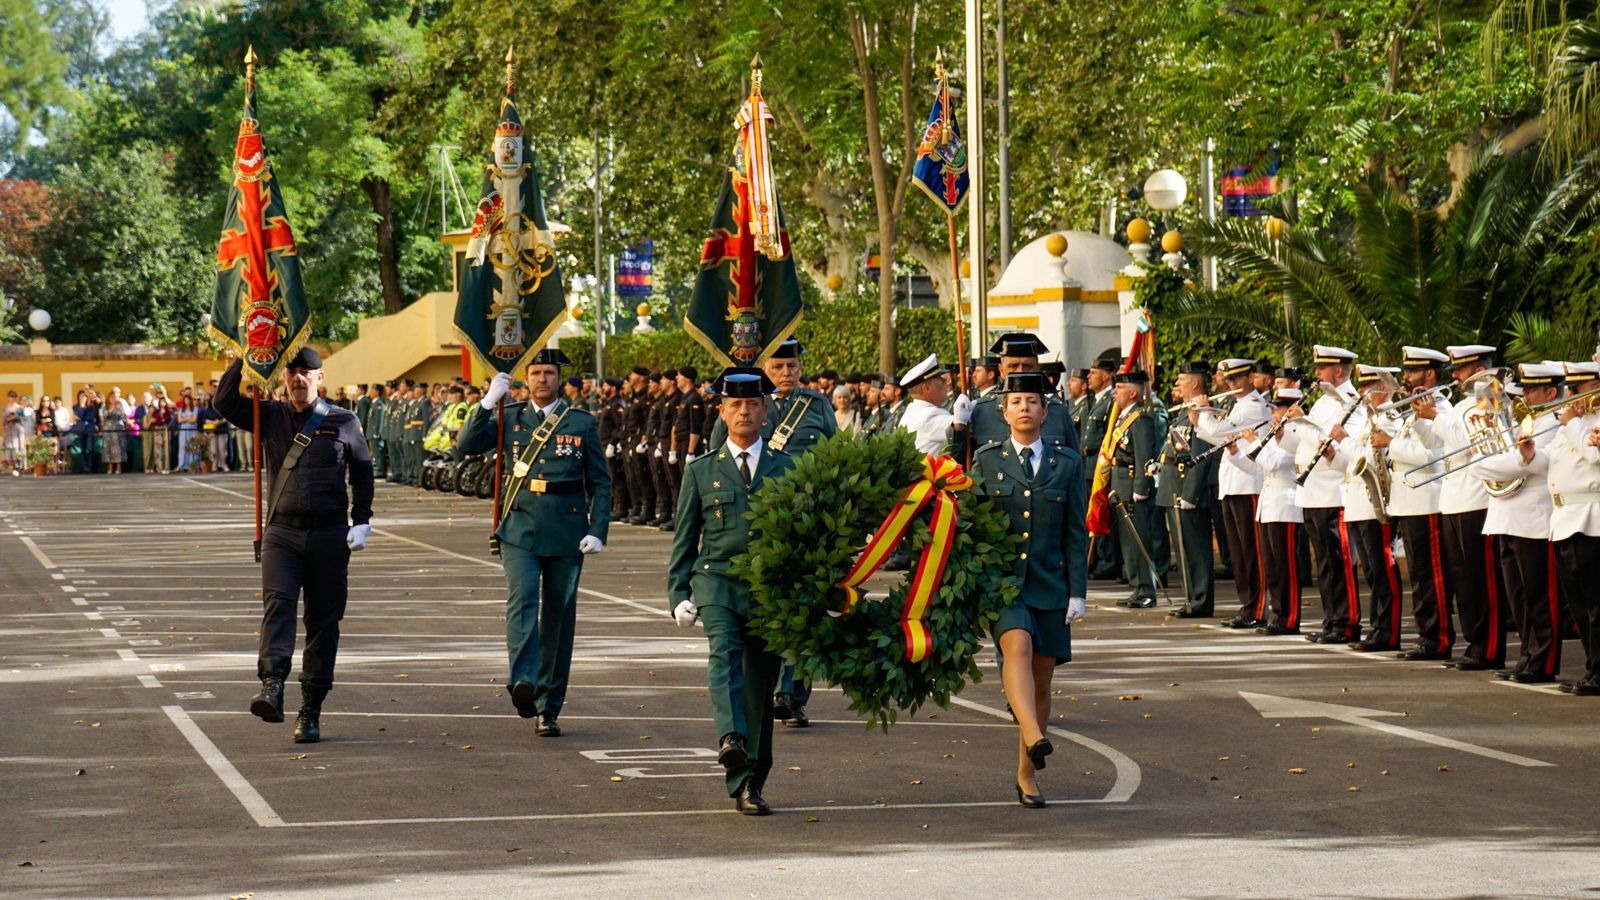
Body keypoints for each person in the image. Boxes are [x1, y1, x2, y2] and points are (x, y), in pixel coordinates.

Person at [213, 348, 375, 744]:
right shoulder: (269, 415)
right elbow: (224, 402)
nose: (298, 380)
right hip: (282, 535)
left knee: (323, 623)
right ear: (284, 378)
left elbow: (363, 473)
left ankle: (311, 708)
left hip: (329, 537)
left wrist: (364, 520)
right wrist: (246, 356)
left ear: (320, 378)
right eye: (292, 373)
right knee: (278, 606)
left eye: (306, 373)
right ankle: (272, 684)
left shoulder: (345, 420)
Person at [456, 349, 612, 735]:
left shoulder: (581, 422)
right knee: (522, 601)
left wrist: (598, 529)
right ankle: (523, 680)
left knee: (559, 619)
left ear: (560, 379)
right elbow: (466, 445)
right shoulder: (510, 416)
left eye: (549, 373)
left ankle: (549, 705)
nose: (543, 379)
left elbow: (601, 482)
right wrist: (487, 402)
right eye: (536, 372)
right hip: (520, 526)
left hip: (567, 529)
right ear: (526, 378)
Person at [667, 366, 795, 815]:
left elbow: (806, 536)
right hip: (716, 580)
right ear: (721, 411)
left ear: (765, 413)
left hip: (769, 589)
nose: (744, 411)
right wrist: (678, 593)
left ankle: (751, 780)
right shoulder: (702, 471)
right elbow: (685, 537)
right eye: (735, 404)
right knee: (723, 653)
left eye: (753, 404)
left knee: (760, 686)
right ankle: (730, 737)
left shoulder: (789, 467)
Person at [968, 371, 1088, 808]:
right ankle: (1035, 734)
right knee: (1016, 647)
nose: (1024, 408)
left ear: (1045, 411)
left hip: (1052, 582)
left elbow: (1076, 531)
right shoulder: (986, 460)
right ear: (1003, 411)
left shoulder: (1067, 463)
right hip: (1004, 584)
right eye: (1016, 401)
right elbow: (971, 524)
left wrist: (1079, 591)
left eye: (1032, 401)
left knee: (1041, 680)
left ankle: (1026, 772)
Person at [1410, 345, 1507, 666]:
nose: (1454, 375)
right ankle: (1475, 644)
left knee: (1481, 578)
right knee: (1463, 578)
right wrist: (1421, 418)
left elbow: (1472, 442)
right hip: (1453, 499)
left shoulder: (1490, 394)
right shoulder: (1460, 403)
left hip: (1476, 497)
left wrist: (1435, 415)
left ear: (1478, 370)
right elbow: (1436, 443)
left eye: (1460, 369)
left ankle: (1488, 648)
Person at [1476, 363, 1564, 684]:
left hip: (1534, 518)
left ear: (1550, 392)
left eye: (1530, 390)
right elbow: (1485, 460)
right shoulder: (1520, 422)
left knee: (1539, 595)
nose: (1522, 395)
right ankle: (1527, 656)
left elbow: (1528, 464)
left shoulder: (1552, 423)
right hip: (1505, 516)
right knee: (1518, 596)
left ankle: (1543, 661)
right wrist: (1502, 463)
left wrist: (1500, 464)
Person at [1381, 348, 1455, 660]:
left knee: (1433, 574)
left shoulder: (1443, 409)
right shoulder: (1415, 408)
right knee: (1420, 575)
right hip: (1408, 500)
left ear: (1430, 373)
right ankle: (1427, 635)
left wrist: (1391, 444)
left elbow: (1433, 457)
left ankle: (1437, 639)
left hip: (1427, 500)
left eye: (1413, 371)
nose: (1407, 377)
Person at [1286, 344, 1364, 644]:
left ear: (1339, 371)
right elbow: (1310, 440)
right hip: (1313, 494)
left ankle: (1347, 623)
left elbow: (1335, 446)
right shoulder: (1322, 402)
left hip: (1334, 492)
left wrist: (1301, 423)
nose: (1317, 373)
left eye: (1323, 367)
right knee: (1325, 566)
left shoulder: (1350, 402)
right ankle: (1332, 619)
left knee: (1339, 563)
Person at [1333, 365, 1406, 651]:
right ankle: (1378, 628)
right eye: (1362, 387)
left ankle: (1388, 632)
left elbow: (1371, 458)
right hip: (1360, 503)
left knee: (1383, 571)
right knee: (1373, 574)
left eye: (1369, 387)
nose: (1362, 392)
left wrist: (1344, 441)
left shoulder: (1388, 416)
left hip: (1377, 504)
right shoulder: (1369, 419)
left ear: (1384, 388)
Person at [1226, 387, 1306, 635]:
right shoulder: (1276, 434)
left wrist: (1253, 441)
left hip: (1287, 503)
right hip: (1269, 503)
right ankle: (1278, 615)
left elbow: (1272, 461)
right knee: (1272, 566)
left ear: (1291, 408)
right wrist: (1235, 452)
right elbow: (1255, 469)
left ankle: (1289, 618)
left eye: (1278, 408)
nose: (1273, 412)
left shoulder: (1297, 434)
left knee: (1285, 567)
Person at [1546, 360, 1600, 694]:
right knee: (1580, 606)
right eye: (1570, 389)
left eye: (1578, 389)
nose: (1571, 397)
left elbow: (1595, 457)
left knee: (1597, 604)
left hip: (1591, 519)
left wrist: (1575, 423)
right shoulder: (1572, 424)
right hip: (1564, 520)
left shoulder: (1582, 424)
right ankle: (1593, 666)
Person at [1163, 362, 1220, 618]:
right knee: (1184, 548)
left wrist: (1191, 493)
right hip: (1174, 484)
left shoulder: (1202, 411)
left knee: (1196, 549)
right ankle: (1190, 598)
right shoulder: (1184, 412)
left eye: (1182, 379)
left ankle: (1200, 600)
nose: (1178, 384)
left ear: (1195, 383)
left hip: (1188, 487)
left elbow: (1202, 455)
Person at [1106, 370, 1160, 608]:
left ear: (1132, 392)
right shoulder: (1122, 417)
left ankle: (1148, 590)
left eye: (1118, 388)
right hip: (1120, 484)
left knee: (1140, 539)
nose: (1114, 392)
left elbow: (1143, 456)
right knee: (1128, 540)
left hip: (1132, 484)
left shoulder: (1141, 419)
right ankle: (1137, 586)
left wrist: (1141, 487)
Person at [898, 354, 955, 454]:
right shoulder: (929, 415)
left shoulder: (913, 411)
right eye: (941, 380)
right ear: (927, 388)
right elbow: (961, 429)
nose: (946, 382)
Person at [100, 389, 130, 475]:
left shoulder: (120, 405)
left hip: (118, 430)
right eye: (111, 397)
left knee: (118, 449)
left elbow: (123, 416)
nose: (113, 399)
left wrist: (116, 406)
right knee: (108, 449)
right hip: (107, 430)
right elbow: (103, 417)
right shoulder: (104, 406)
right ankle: (110, 467)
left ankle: (118, 468)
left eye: (114, 397)